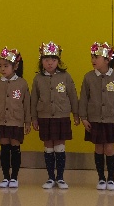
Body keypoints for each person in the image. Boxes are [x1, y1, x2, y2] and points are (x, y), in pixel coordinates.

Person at [31, 41, 79, 190]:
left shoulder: (65, 76)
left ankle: (61, 177)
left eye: (53, 59)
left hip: (61, 116)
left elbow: (72, 95)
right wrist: (34, 118)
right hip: (44, 117)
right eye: (46, 59)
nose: (50, 63)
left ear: (58, 61)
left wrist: (76, 114)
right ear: (41, 61)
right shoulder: (38, 79)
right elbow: (33, 100)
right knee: (48, 146)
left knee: (59, 146)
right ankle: (50, 177)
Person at [79, 41, 114, 191]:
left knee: (110, 148)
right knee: (99, 148)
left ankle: (111, 178)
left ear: (107, 59)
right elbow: (84, 98)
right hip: (95, 119)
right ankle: (101, 178)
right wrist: (83, 117)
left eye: (97, 57)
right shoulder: (88, 77)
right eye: (92, 57)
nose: (93, 60)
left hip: (111, 119)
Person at [0, 46, 31, 188]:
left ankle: (14, 177)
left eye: (6, 66)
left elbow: (27, 105)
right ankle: (5, 177)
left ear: (15, 66)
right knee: (4, 149)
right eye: (0, 66)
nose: (2, 69)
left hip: (16, 121)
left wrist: (28, 122)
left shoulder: (22, 83)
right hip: (1, 121)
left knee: (15, 149)